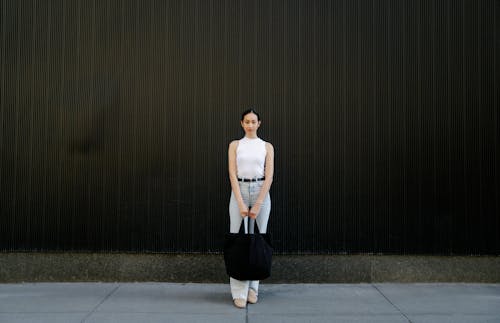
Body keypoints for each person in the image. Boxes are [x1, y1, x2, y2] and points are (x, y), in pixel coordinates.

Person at [227, 109, 274, 309]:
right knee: (237, 239)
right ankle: (239, 291)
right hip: (239, 189)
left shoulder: (267, 146)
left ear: (259, 123)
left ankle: (253, 288)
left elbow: (269, 175)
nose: (250, 125)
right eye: (247, 121)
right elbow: (232, 172)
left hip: (260, 190)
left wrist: (258, 203)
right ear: (242, 123)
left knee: (259, 240)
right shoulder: (235, 145)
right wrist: (240, 201)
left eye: (253, 121)